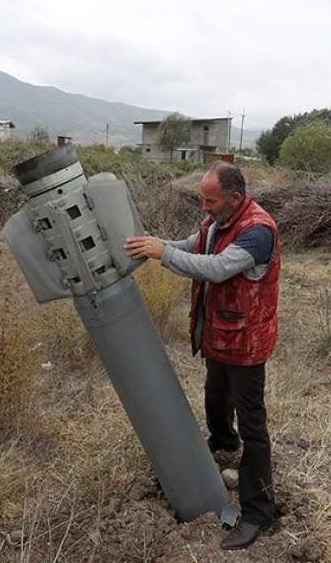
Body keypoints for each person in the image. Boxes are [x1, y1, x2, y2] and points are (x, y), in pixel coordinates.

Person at [124, 162, 280, 551]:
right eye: (203, 200)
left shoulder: (258, 231)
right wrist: (152, 245)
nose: (204, 208)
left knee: (254, 426)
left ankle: (259, 511)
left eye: (211, 201)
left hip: (246, 344)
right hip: (220, 337)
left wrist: (162, 253)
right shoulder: (217, 223)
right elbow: (192, 246)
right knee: (216, 396)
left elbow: (216, 269)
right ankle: (224, 443)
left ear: (235, 198)